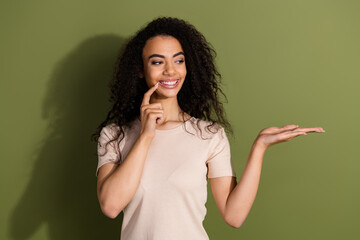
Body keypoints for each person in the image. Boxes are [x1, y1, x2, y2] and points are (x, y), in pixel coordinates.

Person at [92, 17, 325, 240]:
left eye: (179, 60)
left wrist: (259, 148)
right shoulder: (114, 135)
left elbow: (234, 216)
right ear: (140, 70)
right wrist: (145, 136)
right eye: (157, 61)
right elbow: (111, 206)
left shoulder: (209, 135)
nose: (171, 71)